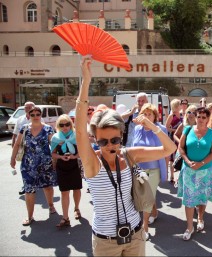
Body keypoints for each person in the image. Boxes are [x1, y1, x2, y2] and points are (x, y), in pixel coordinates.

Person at [75, 57, 176, 256]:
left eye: (114, 140)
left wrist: (152, 126)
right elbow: (79, 131)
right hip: (106, 241)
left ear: (121, 136)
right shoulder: (92, 163)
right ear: (95, 139)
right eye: (103, 142)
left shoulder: (129, 155)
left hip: (135, 234)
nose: (110, 145)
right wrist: (86, 82)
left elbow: (169, 149)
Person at [10, 106, 57, 226]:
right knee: (29, 190)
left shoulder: (48, 129)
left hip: (45, 164)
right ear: (29, 116)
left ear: (41, 115)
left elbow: (54, 145)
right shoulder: (24, 128)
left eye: (38, 114)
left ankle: (51, 206)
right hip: (28, 165)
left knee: (47, 186)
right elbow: (16, 145)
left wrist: (56, 160)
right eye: (33, 115)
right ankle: (30, 216)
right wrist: (12, 158)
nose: (35, 116)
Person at [177, 107, 212, 241]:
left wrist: (201, 163)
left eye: (203, 117)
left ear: (208, 119)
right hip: (188, 170)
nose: (200, 119)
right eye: (198, 116)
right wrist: (188, 161)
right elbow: (181, 148)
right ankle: (189, 227)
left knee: (202, 196)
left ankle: (200, 217)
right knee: (189, 199)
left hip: (205, 170)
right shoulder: (187, 130)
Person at [131, 103, 168, 241]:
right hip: (139, 168)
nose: (146, 117)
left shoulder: (160, 129)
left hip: (154, 169)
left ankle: (144, 227)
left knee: (147, 196)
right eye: (144, 114)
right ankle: (154, 212)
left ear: (155, 116)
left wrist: (166, 169)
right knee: (145, 195)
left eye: (149, 114)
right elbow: (133, 148)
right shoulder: (137, 129)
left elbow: (167, 149)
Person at [51, 114, 82, 228]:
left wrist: (74, 157)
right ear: (58, 126)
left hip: (74, 165)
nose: (65, 127)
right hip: (62, 166)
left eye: (67, 124)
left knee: (77, 188)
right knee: (64, 192)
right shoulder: (56, 137)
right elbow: (53, 153)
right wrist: (60, 157)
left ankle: (76, 208)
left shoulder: (76, 136)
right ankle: (65, 217)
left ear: (71, 124)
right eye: (62, 125)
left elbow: (82, 151)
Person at [11, 101, 36, 195]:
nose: (27, 109)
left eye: (29, 107)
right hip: (22, 147)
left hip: (35, 148)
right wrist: (14, 145)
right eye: (26, 107)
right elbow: (15, 133)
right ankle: (25, 185)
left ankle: (35, 183)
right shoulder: (20, 119)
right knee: (24, 167)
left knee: (35, 166)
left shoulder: (38, 118)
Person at [165, 98, 183, 183]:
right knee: (172, 157)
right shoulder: (171, 115)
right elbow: (167, 127)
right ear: (176, 105)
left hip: (182, 137)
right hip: (173, 137)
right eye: (180, 104)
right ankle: (172, 176)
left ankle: (179, 176)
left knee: (180, 156)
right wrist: (175, 130)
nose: (181, 105)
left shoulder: (182, 114)